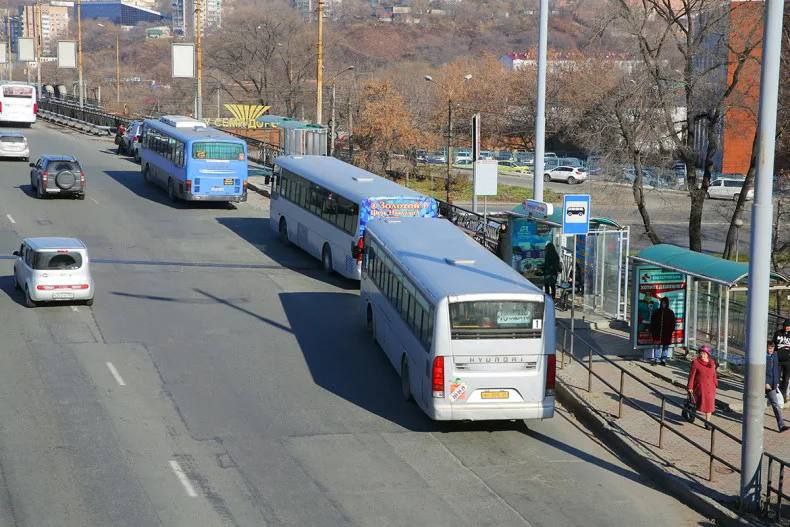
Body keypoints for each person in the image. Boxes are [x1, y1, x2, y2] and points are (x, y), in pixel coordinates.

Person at [687, 345, 718, 429]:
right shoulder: (696, 362)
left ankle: (707, 422)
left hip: (710, 388)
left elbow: (714, 374)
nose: (702, 354)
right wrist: (690, 387)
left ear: (708, 354)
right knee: (697, 404)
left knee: (709, 406)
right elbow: (691, 376)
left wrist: (715, 383)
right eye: (701, 352)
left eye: (704, 353)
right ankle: (691, 415)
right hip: (700, 387)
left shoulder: (712, 362)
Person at [765, 340, 789, 432]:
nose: (770, 350)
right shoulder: (762, 356)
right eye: (769, 348)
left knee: (775, 404)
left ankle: (781, 425)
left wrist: (777, 382)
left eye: (772, 348)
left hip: (772, 383)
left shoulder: (775, 355)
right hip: (763, 383)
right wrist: (765, 383)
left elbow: (776, 369)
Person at [649, 297, 676, 366]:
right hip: (657, 333)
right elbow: (652, 322)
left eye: (665, 303)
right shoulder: (657, 312)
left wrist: (671, 330)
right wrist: (652, 330)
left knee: (665, 346)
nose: (663, 304)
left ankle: (663, 360)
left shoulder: (670, 312)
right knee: (657, 346)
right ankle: (656, 359)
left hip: (666, 333)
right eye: (662, 303)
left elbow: (673, 323)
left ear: (667, 304)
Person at [773, 319, 790, 400]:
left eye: (789, 326)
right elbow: (773, 344)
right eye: (786, 326)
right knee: (776, 378)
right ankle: (776, 394)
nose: (787, 328)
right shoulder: (778, 333)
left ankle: (783, 396)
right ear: (784, 326)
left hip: (788, 361)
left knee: (786, 379)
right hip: (778, 359)